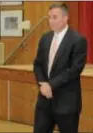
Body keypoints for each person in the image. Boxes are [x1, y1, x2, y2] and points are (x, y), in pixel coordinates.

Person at [33, 3, 87, 133]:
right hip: (44, 102)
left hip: (66, 103)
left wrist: (50, 85)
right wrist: (43, 83)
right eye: (49, 17)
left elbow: (74, 70)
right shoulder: (45, 38)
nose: (50, 21)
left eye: (54, 17)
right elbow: (38, 64)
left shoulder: (78, 40)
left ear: (65, 18)